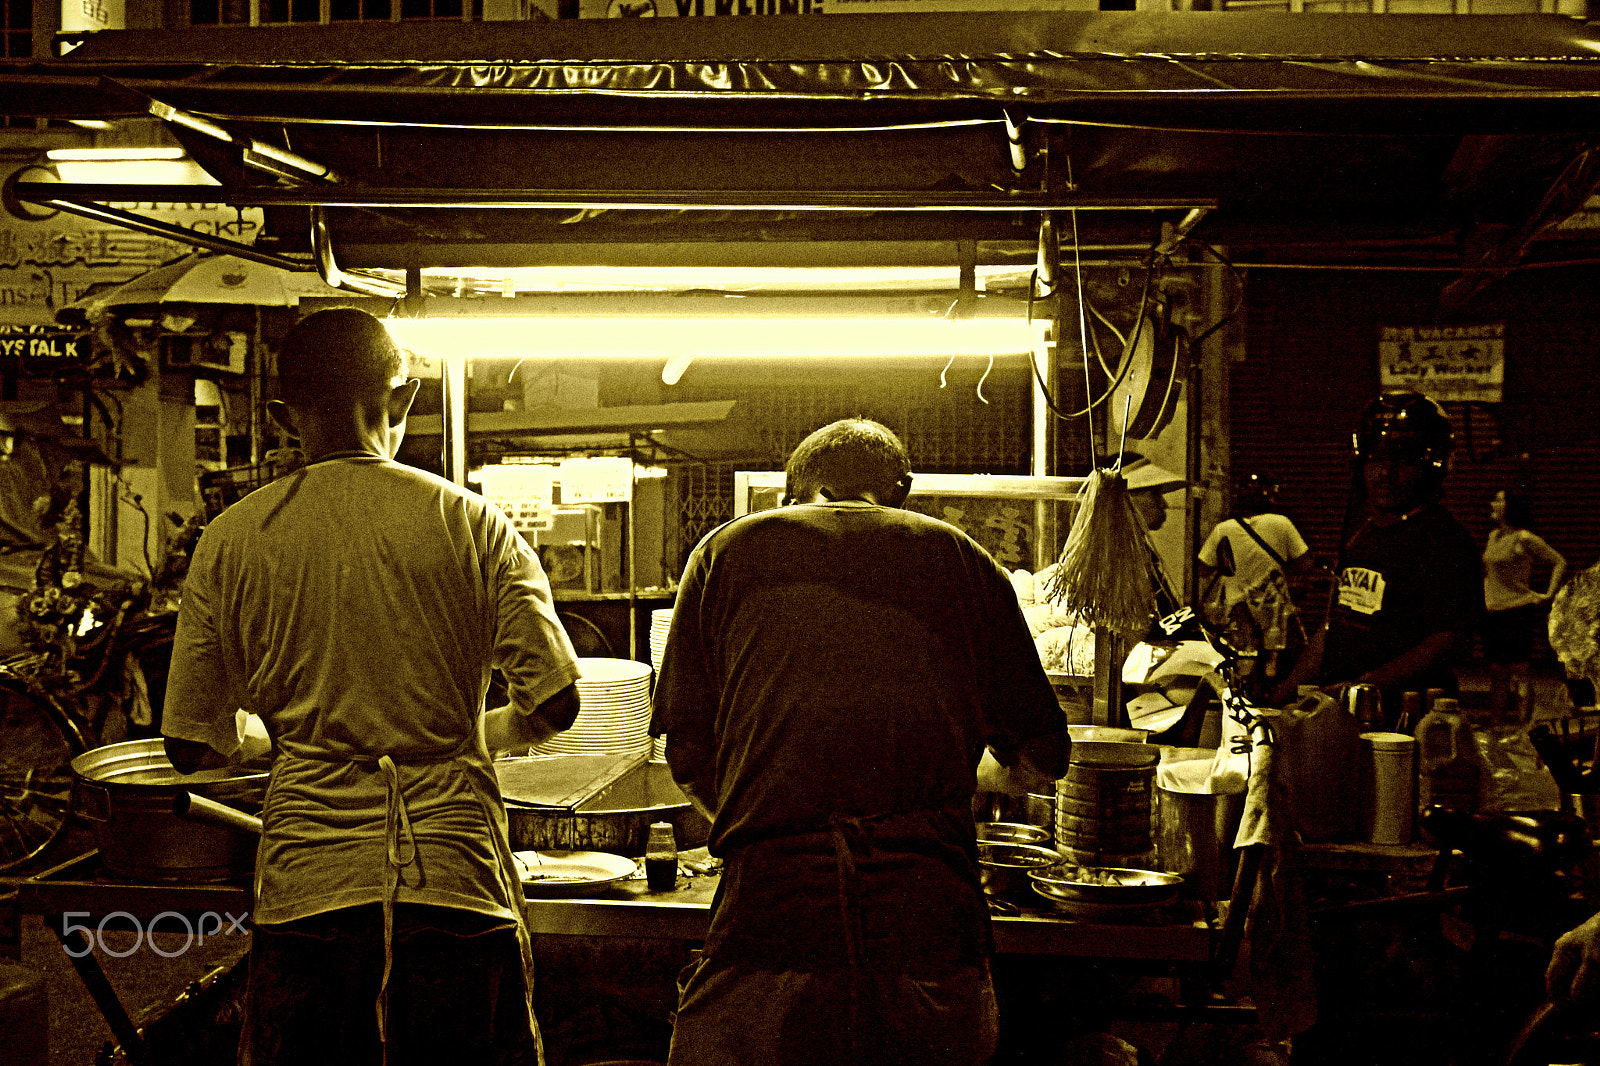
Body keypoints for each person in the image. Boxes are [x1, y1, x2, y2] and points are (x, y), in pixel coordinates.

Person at [161, 307, 582, 1066]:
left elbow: (191, 746)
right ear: (404, 399)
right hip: (456, 884)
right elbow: (555, 702)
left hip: (308, 893)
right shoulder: (473, 524)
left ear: (285, 416)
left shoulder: (232, 539)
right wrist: (466, 735)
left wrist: (277, 736)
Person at [651, 417, 1070, 1066]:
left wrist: (768, 811)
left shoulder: (724, 552)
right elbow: (1045, 755)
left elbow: (686, 758)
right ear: (901, 491)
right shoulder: (960, 556)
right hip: (927, 917)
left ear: (792, 492)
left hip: (770, 912)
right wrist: (966, 778)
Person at [1272, 390, 1483, 721]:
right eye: (1376, 460)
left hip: (1405, 721)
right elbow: (1335, 626)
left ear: (1432, 466)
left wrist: (1361, 687)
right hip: (1341, 713)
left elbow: (1450, 639)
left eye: (1404, 461)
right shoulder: (1364, 532)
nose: (1386, 474)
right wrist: (1283, 693)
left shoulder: (1445, 541)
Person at [1197, 473, 1313, 699]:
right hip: (1273, 609)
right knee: (1273, 661)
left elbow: (1202, 568)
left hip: (1236, 611)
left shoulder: (1224, 529)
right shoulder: (1282, 523)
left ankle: (1241, 702)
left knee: (1243, 661)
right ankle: (1272, 699)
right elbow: (1306, 564)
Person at [1482, 486, 1568, 720]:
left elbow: (1559, 561)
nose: (1492, 504)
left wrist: (1548, 594)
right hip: (1493, 612)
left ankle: (1523, 729)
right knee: (1496, 673)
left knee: (1519, 672)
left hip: (1517, 611)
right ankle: (1497, 726)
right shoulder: (1494, 536)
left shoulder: (1524, 537)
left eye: (1498, 500)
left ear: (1510, 507)